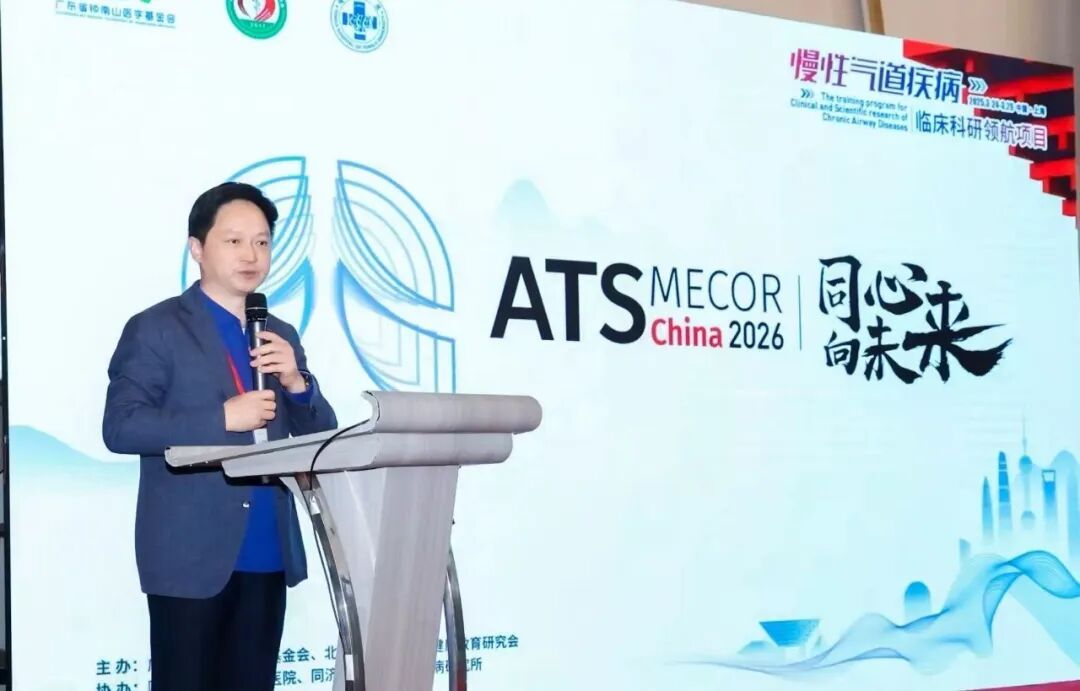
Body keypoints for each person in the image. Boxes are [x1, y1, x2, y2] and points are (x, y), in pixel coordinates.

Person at [102, 182, 338, 691]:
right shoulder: (156, 328)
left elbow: (322, 441)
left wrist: (297, 384)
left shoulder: (279, 333)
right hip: (189, 556)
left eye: (262, 242)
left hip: (268, 549)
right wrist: (221, 418)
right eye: (234, 241)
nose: (251, 255)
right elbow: (121, 426)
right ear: (197, 248)